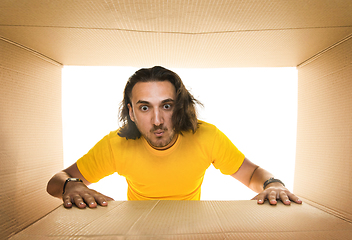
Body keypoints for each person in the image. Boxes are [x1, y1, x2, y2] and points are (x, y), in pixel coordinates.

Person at [47, 66, 302, 209]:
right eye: (145, 107)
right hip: (139, 229)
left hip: (189, 227)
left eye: (166, 106)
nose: (157, 120)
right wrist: (73, 185)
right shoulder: (116, 145)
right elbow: (55, 181)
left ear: (179, 107)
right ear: (131, 113)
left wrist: (273, 184)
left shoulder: (206, 136)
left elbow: (251, 173)